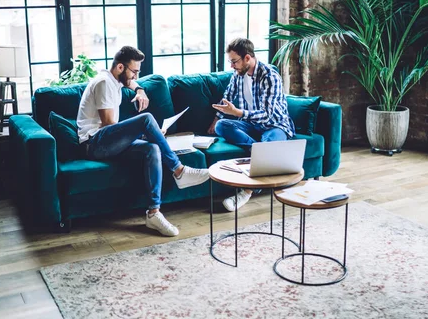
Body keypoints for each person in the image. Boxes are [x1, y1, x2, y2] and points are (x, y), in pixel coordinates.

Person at [77, 46, 210, 237]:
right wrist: (143, 132)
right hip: (93, 144)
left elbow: (131, 84)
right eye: (134, 71)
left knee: (152, 148)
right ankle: (179, 170)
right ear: (121, 67)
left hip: (106, 141)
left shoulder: (115, 80)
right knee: (146, 120)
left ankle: (153, 213)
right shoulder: (104, 83)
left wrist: (139, 90)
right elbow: (107, 125)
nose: (136, 75)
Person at [208, 38, 295, 212]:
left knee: (268, 141)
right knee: (222, 126)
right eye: (230, 62)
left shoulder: (269, 76)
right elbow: (228, 96)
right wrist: (216, 120)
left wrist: (239, 113)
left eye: (234, 61)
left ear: (247, 58)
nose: (232, 66)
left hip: (275, 125)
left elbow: (268, 115)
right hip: (250, 125)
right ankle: (259, 152)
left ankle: (246, 192)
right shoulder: (238, 75)